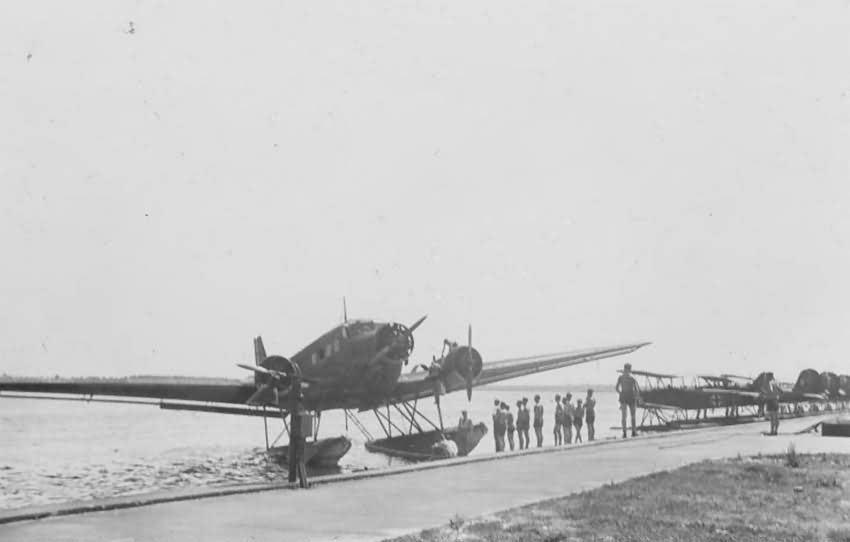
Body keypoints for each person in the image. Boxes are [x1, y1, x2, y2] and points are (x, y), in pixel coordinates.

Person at [616, 362, 640, 438]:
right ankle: (633, 431)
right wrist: (636, 397)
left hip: (624, 396)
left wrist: (621, 393)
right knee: (632, 416)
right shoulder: (632, 378)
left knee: (624, 416)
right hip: (630, 396)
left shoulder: (621, 377)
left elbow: (617, 388)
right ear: (630, 369)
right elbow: (637, 390)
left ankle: (625, 432)